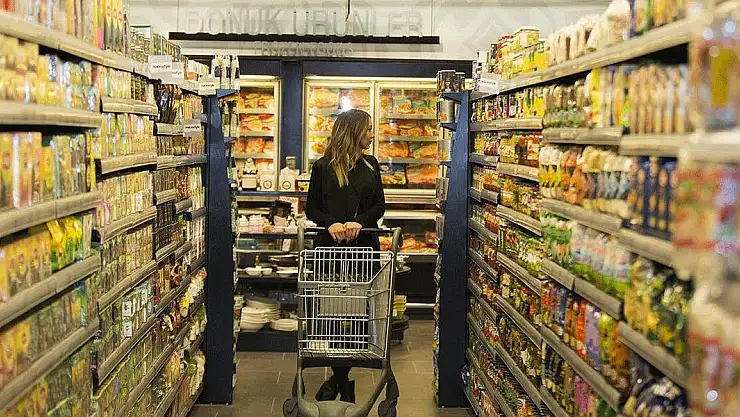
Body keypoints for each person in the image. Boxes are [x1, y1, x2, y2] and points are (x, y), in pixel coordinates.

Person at [305, 108, 386, 403]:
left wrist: (359, 222)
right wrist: (331, 223)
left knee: (359, 319)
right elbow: (311, 208)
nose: (372, 135)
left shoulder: (371, 165)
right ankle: (343, 383)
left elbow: (379, 206)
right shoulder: (322, 167)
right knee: (332, 316)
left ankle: (338, 380)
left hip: (364, 251)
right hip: (329, 253)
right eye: (368, 129)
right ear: (353, 132)